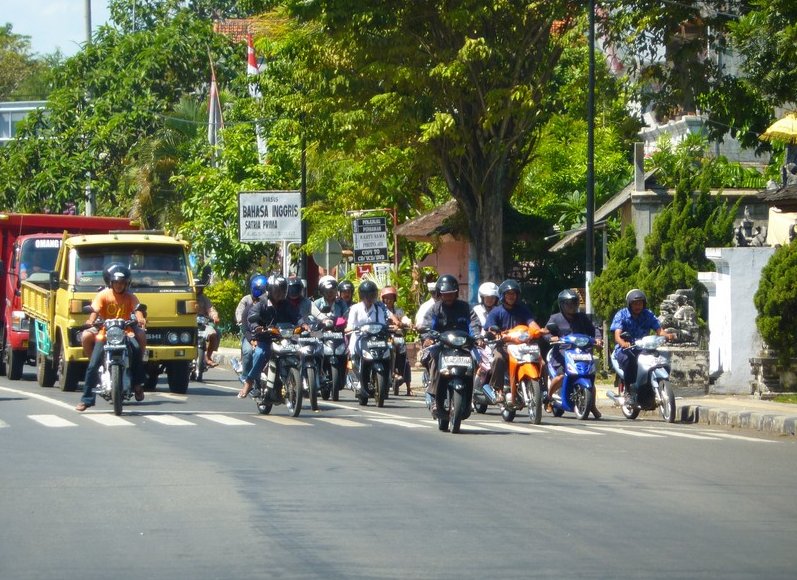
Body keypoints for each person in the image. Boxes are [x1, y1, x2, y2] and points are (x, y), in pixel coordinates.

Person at [75, 264, 148, 412]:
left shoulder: (130, 296)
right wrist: (90, 320)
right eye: (116, 282)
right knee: (92, 365)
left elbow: (138, 309)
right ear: (111, 283)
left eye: (122, 283)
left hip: (126, 332)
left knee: (136, 350)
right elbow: (94, 310)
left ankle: (138, 385)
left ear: (126, 284)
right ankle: (86, 399)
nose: (119, 285)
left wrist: (140, 319)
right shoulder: (103, 295)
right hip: (105, 332)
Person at [238, 274, 302, 399]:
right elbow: (252, 317)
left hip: (283, 336)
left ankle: (302, 382)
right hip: (265, 337)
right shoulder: (261, 302)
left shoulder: (286, 304)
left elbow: (297, 316)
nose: (280, 293)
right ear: (270, 290)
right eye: (277, 290)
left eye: (282, 290)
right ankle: (249, 382)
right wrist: (257, 327)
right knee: (260, 353)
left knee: (299, 351)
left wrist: (304, 324)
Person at [483, 278, 542, 409]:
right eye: (508, 294)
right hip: (504, 345)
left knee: (541, 361)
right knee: (498, 358)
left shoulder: (522, 309)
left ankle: (542, 390)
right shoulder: (496, 311)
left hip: (522, 345)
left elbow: (531, 323)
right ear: (503, 296)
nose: (511, 296)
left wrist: (539, 331)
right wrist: (494, 333)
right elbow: (490, 328)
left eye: (513, 294)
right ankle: (498, 390)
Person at [546, 289, 603, 418]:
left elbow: (594, 330)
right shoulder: (555, 318)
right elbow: (546, 332)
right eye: (568, 303)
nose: (571, 306)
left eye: (574, 303)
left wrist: (598, 339)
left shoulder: (582, 318)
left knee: (589, 378)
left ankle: (592, 405)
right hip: (562, 354)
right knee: (561, 377)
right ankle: (548, 399)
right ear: (562, 304)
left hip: (582, 352)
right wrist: (552, 338)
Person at [421, 275, 476, 409]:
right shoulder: (435, 309)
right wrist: (428, 338)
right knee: (434, 360)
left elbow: (474, 324)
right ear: (440, 294)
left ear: (456, 293)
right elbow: (427, 326)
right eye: (445, 294)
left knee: (476, 361)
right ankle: (434, 397)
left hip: (463, 346)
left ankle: (473, 395)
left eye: (451, 294)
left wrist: (478, 338)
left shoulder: (465, 308)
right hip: (441, 346)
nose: (449, 297)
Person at [610, 289, 674, 404]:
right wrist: (623, 343)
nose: (638, 306)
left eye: (640, 303)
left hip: (644, 347)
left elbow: (659, 331)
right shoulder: (622, 314)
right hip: (626, 349)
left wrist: (668, 335)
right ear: (630, 304)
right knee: (629, 361)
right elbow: (617, 336)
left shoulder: (648, 314)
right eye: (635, 303)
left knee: (658, 359)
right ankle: (628, 391)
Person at [346, 280, 400, 392]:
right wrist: (351, 328)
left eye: (372, 295)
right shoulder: (355, 309)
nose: (369, 298)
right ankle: (359, 381)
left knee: (387, 352)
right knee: (355, 358)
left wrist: (389, 328)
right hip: (359, 338)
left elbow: (382, 324)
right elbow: (350, 325)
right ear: (362, 296)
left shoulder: (378, 309)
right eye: (367, 295)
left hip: (375, 339)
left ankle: (388, 377)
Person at [381, 285, 413, 396]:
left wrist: (407, 323)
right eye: (386, 297)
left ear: (395, 299)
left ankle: (408, 387)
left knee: (406, 359)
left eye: (391, 297)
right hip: (384, 338)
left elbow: (405, 319)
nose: (388, 300)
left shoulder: (398, 311)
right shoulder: (381, 311)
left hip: (397, 337)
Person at [233, 274, 265, 377]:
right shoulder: (246, 300)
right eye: (257, 289)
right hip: (248, 330)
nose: (259, 292)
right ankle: (246, 377)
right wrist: (241, 321)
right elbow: (239, 312)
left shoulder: (269, 301)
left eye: (262, 290)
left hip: (265, 332)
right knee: (248, 352)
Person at [195, 284, 220, 368]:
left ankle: (208, 357)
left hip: (202, 324)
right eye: (195, 287)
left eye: (198, 287)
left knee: (214, 334)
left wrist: (215, 316)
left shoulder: (204, 298)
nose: (196, 289)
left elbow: (210, 309)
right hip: (187, 324)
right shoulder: (184, 296)